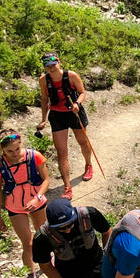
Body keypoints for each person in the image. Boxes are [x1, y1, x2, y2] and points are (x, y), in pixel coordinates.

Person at [0, 129, 50, 278]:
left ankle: (49, 263)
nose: (15, 154)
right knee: (28, 242)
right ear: (2, 150)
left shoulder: (35, 156)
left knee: (43, 236)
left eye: (17, 149)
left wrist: (37, 198)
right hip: (14, 206)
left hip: (36, 202)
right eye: (10, 151)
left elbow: (46, 180)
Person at [36, 52, 95, 200]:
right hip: (57, 116)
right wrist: (43, 119)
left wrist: (77, 103)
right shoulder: (43, 80)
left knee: (83, 141)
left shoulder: (72, 76)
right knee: (61, 152)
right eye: (47, 66)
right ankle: (67, 187)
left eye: (53, 64)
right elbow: (44, 99)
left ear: (58, 62)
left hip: (74, 112)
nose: (51, 68)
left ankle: (88, 165)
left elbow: (82, 92)